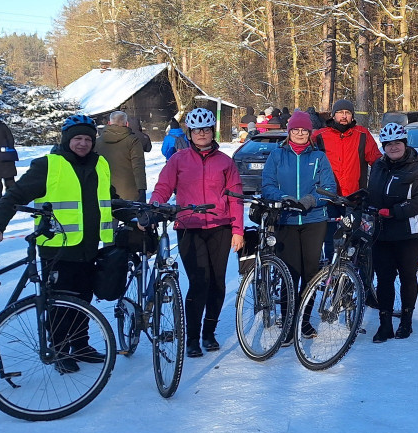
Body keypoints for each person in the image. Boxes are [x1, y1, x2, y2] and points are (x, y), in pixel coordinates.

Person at [0, 115, 118, 373]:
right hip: (57, 248)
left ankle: (80, 345)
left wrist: (133, 214)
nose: (82, 143)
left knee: (83, 299)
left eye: (87, 139)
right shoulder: (49, 165)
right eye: (77, 138)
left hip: (88, 247)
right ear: (67, 140)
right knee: (58, 302)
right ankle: (57, 349)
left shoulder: (100, 164)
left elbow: (110, 199)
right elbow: (15, 195)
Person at [150, 108, 244, 357]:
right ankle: (191, 337)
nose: (201, 134)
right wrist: (154, 207)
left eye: (205, 129)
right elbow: (163, 188)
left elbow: (235, 198)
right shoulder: (178, 160)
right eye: (196, 130)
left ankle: (209, 333)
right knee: (198, 282)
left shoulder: (225, 161)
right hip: (189, 227)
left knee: (217, 283)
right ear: (189, 133)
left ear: (212, 131)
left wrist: (238, 230)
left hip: (220, 227)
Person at [261, 110, 337, 339]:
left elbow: (329, 187)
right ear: (289, 131)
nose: (300, 134)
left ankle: (304, 322)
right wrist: (282, 198)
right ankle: (287, 323)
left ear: (310, 132)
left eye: (304, 130)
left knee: (311, 273)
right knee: (289, 273)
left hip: (314, 220)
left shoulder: (319, 157)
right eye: (296, 130)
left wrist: (311, 200)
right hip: (286, 220)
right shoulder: (277, 155)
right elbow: (267, 185)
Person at [365, 123, 418, 341]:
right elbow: (373, 192)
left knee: (407, 276)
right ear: (383, 146)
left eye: (397, 143)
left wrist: (394, 211)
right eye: (388, 144)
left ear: (404, 144)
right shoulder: (378, 166)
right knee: (384, 278)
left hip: (409, 232)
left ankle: (406, 320)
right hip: (382, 231)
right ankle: (385, 324)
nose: (393, 148)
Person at [313, 98, 381, 263]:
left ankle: (352, 279)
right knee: (329, 240)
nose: (344, 116)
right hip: (328, 198)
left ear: (352, 116)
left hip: (354, 198)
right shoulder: (320, 136)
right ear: (333, 115)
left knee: (354, 240)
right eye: (340, 113)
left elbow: (377, 162)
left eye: (347, 113)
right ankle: (332, 275)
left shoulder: (362, 134)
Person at [96, 111, 147, 203]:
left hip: (103, 192)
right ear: (127, 123)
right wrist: (142, 189)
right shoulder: (133, 141)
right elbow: (138, 166)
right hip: (129, 192)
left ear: (109, 123)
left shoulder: (97, 142)